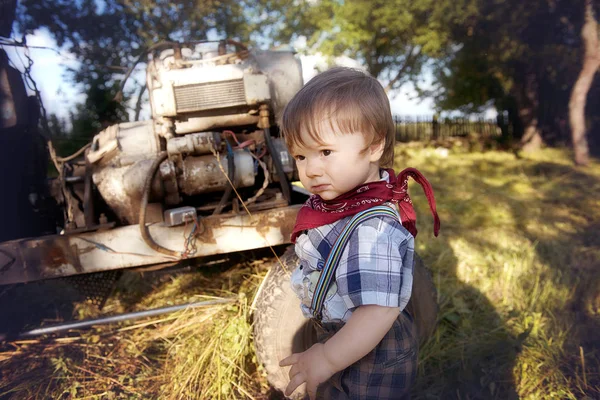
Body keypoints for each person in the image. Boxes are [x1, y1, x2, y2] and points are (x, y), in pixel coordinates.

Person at [278, 67, 440, 400]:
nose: (310, 169)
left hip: (375, 358)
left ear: (373, 147)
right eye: (300, 156)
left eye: (325, 152)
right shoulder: (342, 203)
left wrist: (326, 356)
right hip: (348, 341)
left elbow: (378, 312)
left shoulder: (372, 228)